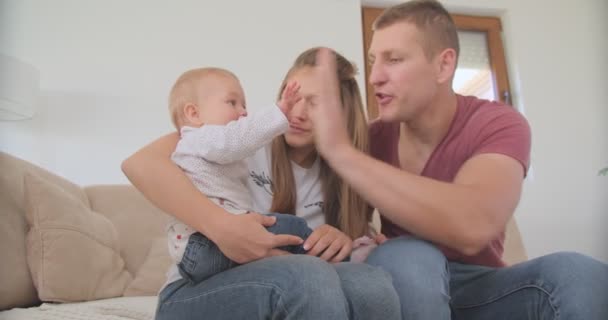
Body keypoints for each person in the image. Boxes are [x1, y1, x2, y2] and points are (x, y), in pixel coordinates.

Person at [306, 1, 608, 319]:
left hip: (480, 286)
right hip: (404, 276)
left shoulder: (498, 123)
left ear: (443, 65)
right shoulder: (371, 139)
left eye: (393, 60)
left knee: (579, 273)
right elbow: (343, 225)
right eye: (373, 61)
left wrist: (343, 153)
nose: (375, 77)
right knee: (411, 254)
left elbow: (474, 223)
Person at [122, 48, 401, 320]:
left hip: (281, 278)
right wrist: (222, 227)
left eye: (316, 103)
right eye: (293, 96)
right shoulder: (238, 141)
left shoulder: (344, 174)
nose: (299, 113)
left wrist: (341, 239)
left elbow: (351, 244)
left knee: (370, 284)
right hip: (192, 291)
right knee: (307, 275)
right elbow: (139, 164)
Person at [166, 67, 315, 283]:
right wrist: (279, 112)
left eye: (244, 104)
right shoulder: (199, 139)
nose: (244, 111)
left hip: (199, 252)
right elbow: (236, 140)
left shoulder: (206, 147)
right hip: (203, 247)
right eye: (232, 102)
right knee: (295, 228)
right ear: (194, 114)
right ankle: (319, 263)